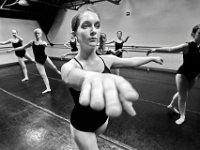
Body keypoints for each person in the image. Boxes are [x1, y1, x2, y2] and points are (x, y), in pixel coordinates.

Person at [61, 7, 163, 150]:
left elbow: (132, 61)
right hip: (83, 127)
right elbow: (69, 76)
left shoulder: (107, 59)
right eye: (86, 25)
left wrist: (151, 57)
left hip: (103, 121)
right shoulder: (70, 66)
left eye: (97, 25)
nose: (93, 30)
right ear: (74, 35)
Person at [146, 24, 200, 125]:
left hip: (194, 76)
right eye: (199, 34)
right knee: (184, 96)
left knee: (182, 93)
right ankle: (182, 116)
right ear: (193, 34)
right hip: (183, 75)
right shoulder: (187, 46)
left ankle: (171, 105)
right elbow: (170, 49)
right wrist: (155, 50)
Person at [8, 28, 61, 94]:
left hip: (45, 58)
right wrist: (13, 50)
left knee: (54, 68)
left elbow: (45, 44)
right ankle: (48, 88)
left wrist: (45, 45)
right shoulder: (32, 42)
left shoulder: (43, 42)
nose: (37, 34)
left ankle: (60, 73)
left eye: (38, 33)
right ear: (34, 34)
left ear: (41, 34)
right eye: (35, 33)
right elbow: (22, 47)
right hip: (38, 61)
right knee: (43, 75)